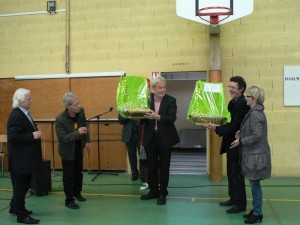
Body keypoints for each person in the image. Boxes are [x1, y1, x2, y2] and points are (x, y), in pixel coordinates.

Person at [204, 76, 250, 213]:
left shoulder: (242, 104)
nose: (230, 89)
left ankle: (240, 204)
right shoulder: (232, 103)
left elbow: (235, 125)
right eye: (229, 87)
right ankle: (233, 198)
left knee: (236, 175)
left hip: (238, 144)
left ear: (241, 89)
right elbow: (226, 121)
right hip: (230, 143)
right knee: (230, 173)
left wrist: (216, 129)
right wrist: (213, 119)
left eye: (233, 87)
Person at [231, 85, 271, 224]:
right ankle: (255, 210)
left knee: (255, 185)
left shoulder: (255, 114)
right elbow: (253, 130)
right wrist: (242, 132)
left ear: (254, 99)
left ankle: (257, 212)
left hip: (256, 156)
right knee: (254, 184)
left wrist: (241, 140)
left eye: (247, 96)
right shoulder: (254, 112)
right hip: (253, 155)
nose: (245, 99)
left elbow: (257, 135)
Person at [140, 76, 180, 205]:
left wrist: (157, 116)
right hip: (150, 138)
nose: (163, 90)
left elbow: (171, 118)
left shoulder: (171, 100)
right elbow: (142, 119)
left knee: (164, 167)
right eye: (160, 87)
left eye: (164, 87)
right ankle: (153, 191)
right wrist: (136, 115)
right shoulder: (147, 99)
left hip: (165, 138)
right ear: (154, 88)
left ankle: (163, 193)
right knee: (151, 166)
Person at [7, 88, 43, 224]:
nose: (31, 100)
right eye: (29, 99)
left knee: (21, 187)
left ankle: (14, 207)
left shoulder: (23, 113)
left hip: (24, 159)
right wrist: (32, 135)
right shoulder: (16, 115)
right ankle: (21, 215)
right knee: (21, 187)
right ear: (21, 101)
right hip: (20, 161)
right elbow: (13, 137)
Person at [55, 92, 91, 209]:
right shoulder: (60, 119)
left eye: (78, 103)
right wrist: (77, 133)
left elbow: (84, 126)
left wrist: (87, 141)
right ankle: (69, 200)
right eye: (75, 105)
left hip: (78, 148)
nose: (79, 106)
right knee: (68, 176)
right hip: (67, 151)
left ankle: (77, 193)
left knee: (78, 173)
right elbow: (62, 138)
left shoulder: (81, 111)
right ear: (68, 107)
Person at [118, 115, 141, 181]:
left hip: (140, 133)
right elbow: (121, 121)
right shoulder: (124, 106)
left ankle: (143, 175)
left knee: (142, 156)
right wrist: (127, 114)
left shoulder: (141, 104)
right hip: (129, 135)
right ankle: (134, 174)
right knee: (131, 156)